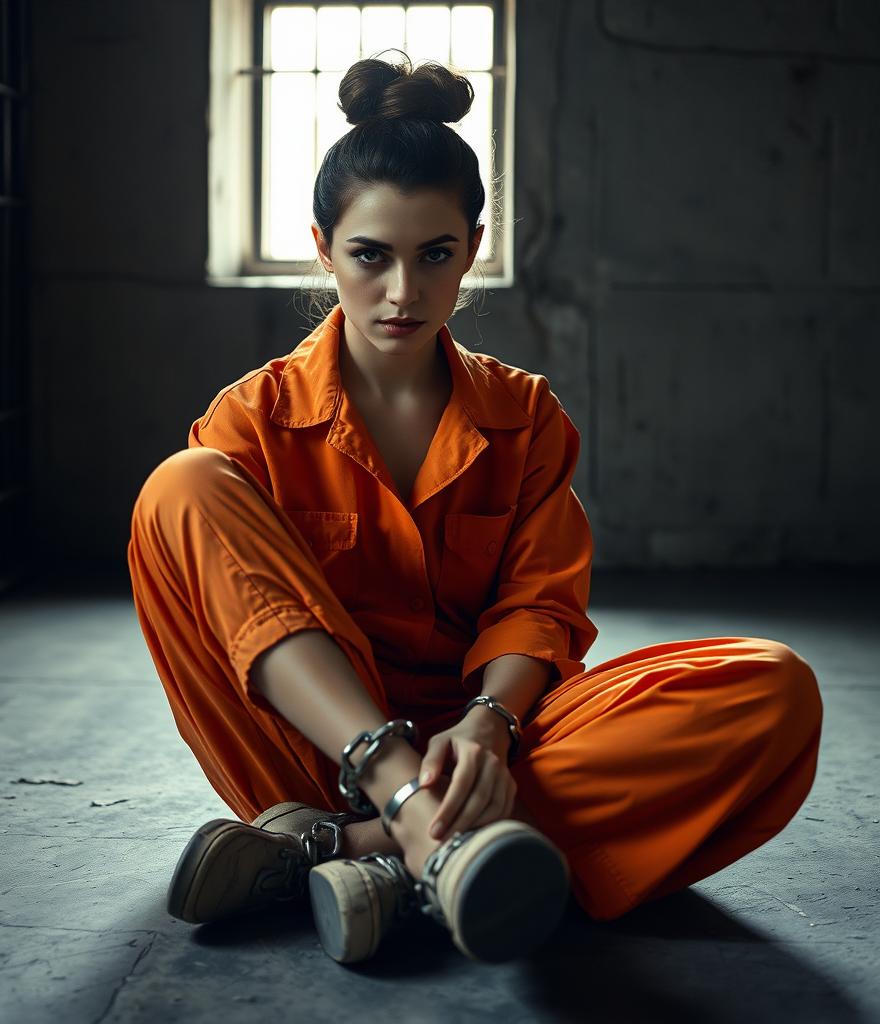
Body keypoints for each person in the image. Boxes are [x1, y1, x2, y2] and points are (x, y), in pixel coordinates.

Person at [127, 52, 823, 966]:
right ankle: (419, 830)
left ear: (475, 250)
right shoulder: (249, 423)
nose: (403, 293)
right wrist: (394, 772)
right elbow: (237, 623)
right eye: (370, 256)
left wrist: (489, 724)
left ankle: (354, 855)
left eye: (436, 256)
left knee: (772, 690)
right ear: (323, 247)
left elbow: (541, 604)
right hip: (308, 757)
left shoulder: (525, 417)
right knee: (181, 483)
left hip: (489, 757)